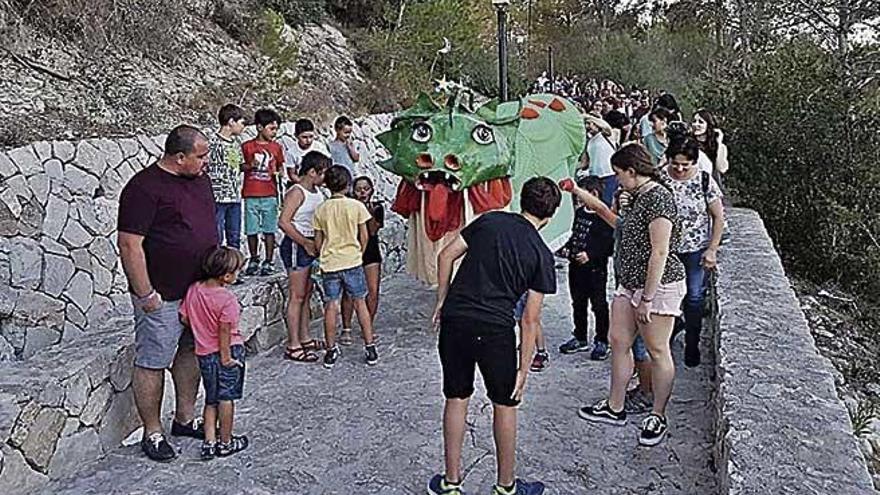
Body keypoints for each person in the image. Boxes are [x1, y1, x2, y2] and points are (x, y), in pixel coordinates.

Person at [428, 177, 561, 495]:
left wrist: (443, 300)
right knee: (505, 405)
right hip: (496, 331)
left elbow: (446, 255)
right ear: (551, 214)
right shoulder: (541, 255)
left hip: (456, 321)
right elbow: (530, 321)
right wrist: (523, 369)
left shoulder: (489, 221)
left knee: (456, 397)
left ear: (521, 200)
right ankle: (506, 487)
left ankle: (451, 483)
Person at [117, 125, 218, 462]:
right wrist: (146, 293)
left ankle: (184, 418)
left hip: (199, 290)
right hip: (162, 293)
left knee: (190, 351)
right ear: (179, 157)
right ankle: (152, 432)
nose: (206, 161)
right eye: (200, 156)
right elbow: (130, 244)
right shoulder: (144, 188)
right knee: (153, 360)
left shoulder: (200, 179)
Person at [576, 143, 686, 447]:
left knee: (657, 349)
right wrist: (580, 193)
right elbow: (616, 223)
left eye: (618, 174)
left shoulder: (659, 199)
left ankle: (658, 414)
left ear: (632, 171)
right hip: (629, 283)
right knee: (618, 340)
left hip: (658, 287)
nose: (617, 179)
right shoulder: (636, 197)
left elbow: (660, 251)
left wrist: (648, 299)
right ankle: (615, 406)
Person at [179, 247, 249, 460]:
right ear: (226, 276)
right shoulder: (227, 300)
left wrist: (200, 329)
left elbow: (184, 318)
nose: (238, 274)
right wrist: (227, 358)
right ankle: (226, 442)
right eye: (237, 271)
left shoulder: (194, 290)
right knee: (226, 399)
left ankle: (209, 442)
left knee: (211, 398)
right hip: (227, 352)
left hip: (204, 354)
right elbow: (225, 331)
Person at [662, 137, 724, 367]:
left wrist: (712, 249)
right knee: (665, 298)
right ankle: (664, 338)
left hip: (695, 250)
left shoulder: (704, 180)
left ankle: (692, 342)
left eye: (684, 165)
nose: (679, 169)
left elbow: (718, 216)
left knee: (694, 297)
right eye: (675, 164)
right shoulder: (660, 179)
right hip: (665, 250)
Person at [313, 165, 379, 369]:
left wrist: (323, 254)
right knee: (360, 302)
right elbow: (365, 235)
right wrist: (358, 252)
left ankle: (331, 350)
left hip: (330, 263)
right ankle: (370, 346)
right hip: (352, 260)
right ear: (348, 185)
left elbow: (318, 240)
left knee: (331, 305)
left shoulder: (321, 209)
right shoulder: (356, 206)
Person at [278, 151, 329, 362]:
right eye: (323, 172)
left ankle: (305, 337)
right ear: (312, 172)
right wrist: (304, 242)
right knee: (297, 295)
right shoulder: (297, 192)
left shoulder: (317, 192)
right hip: (297, 246)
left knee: (306, 294)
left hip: (311, 245)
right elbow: (284, 221)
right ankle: (293, 343)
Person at [557, 176, 614, 360]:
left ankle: (602, 340)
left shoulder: (604, 217)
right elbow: (573, 234)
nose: (579, 198)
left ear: (594, 194)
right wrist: (567, 248)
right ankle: (580, 336)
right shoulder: (580, 213)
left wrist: (590, 254)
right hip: (575, 268)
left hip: (596, 270)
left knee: (598, 305)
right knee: (577, 303)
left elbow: (608, 244)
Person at [340, 176, 384, 346]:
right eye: (359, 189)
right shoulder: (348, 207)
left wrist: (368, 212)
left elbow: (372, 230)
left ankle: (368, 325)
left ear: (371, 190)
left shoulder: (377, 207)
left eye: (366, 188)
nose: (362, 192)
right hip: (352, 250)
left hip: (371, 252)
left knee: (373, 290)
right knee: (349, 292)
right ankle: (346, 328)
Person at [241, 108, 284, 276]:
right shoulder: (247, 147)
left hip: (270, 193)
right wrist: (249, 166)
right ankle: (254, 258)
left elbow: (280, 165)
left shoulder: (276, 147)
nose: (274, 132)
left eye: (276, 129)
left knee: (269, 229)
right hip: (251, 193)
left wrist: (279, 173)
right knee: (251, 229)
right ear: (259, 127)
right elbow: (240, 166)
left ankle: (269, 260)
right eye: (271, 128)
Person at [206, 104, 246, 252]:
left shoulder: (236, 143)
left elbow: (239, 165)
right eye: (241, 123)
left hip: (234, 196)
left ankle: (233, 268)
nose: (243, 127)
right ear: (231, 122)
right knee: (217, 235)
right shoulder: (212, 143)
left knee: (234, 236)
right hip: (218, 197)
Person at [583, 112, 618, 206]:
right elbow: (584, 163)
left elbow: (606, 127)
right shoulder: (589, 142)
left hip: (609, 176)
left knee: (607, 204)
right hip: (594, 178)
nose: (588, 126)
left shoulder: (608, 135)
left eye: (591, 123)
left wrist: (588, 117)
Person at [692, 109, 729, 187]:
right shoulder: (688, 142)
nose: (696, 124)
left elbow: (722, 169)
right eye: (694, 121)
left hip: (711, 184)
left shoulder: (719, 146)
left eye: (700, 122)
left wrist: (719, 143)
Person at [284, 118, 328, 184]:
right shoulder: (291, 152)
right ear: (296, 136)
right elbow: (292, 174)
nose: (308, 140)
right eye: (304, 137)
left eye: (311, 137)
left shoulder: (319, 147)